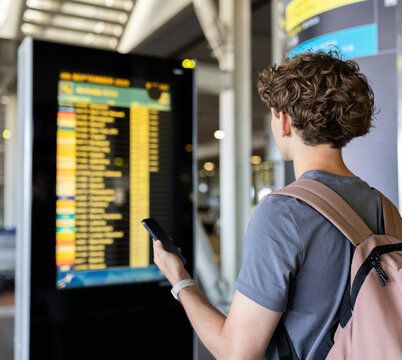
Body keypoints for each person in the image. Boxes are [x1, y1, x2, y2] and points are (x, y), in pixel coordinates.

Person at [153, 50, 380, 359]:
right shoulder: (387, 209)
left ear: (284, 121)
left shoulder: (283, 212)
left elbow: (236, 353)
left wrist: (178, 278)